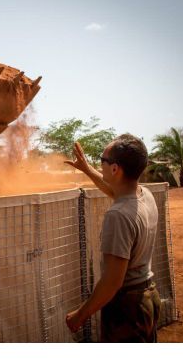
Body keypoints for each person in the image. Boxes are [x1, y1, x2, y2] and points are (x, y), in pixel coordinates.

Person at [64, 135, 162, 342]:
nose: (100, 163)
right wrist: (87, 168)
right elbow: (113, 189)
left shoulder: (118, 215)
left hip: (128, 308)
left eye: (102, 160)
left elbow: (112, 282)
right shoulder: (144, 195)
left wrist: (80, 316)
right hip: (148, 296)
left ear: (115, 169)